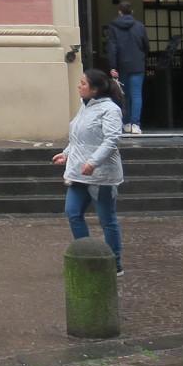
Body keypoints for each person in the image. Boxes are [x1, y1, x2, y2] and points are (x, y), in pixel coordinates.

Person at [53, 68, 124, 274]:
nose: (79, 86)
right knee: (73, 212)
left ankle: (114, 263)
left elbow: (112, 140)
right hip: (78, 173)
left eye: (83, 83)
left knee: (107, 220)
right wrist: (66, 154)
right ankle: (87, 257)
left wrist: (93, 162)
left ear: (95, 90)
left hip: (101, 175)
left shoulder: (110, 109)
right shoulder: (84, 106)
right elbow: (78, 138)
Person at [106, 1, 151, 134]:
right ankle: (136, 124)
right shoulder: (140, 26)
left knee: (123, 96)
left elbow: (112, 48)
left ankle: (126, 123)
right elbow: (146, 46)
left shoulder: (113, 27)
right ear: (131, 12)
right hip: (137, 64)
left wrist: (113, 66)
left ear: (119, 12)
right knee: (136, 95)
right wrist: (141, 56)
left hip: (121, 66)